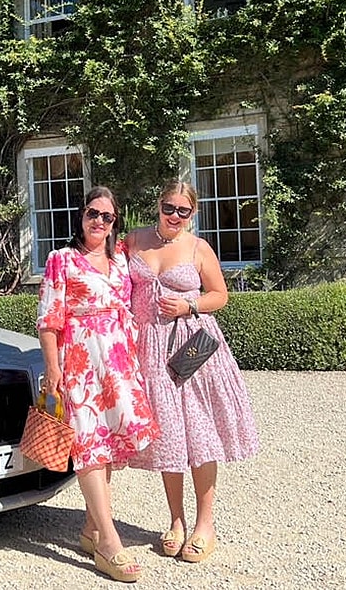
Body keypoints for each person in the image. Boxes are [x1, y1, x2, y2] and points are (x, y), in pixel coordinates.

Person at [122, 180, 259, 564]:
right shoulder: (134, 241)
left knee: (199, 434)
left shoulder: (199, 248)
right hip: (148, 348)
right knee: (168, 436)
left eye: (183, 211)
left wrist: (188, 307)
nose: (175, 216)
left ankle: (205, 523)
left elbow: (220, 294)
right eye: (169, 208)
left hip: (192, 349)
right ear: (158, 204)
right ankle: (176, 520)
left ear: (192, 213)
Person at [37, 186, 158, 583]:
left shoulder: (120, 258)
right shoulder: (61, 259)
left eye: (108, 217)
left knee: (107, 443)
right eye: (93, 213)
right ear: (81, 215)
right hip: (81, 362)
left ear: (114, 224)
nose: (99, 222)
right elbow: (49, 320)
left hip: (120, 363)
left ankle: (90, 528)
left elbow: (159, 237)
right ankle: (108, 542)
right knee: (88, 445)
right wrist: (52, 368)